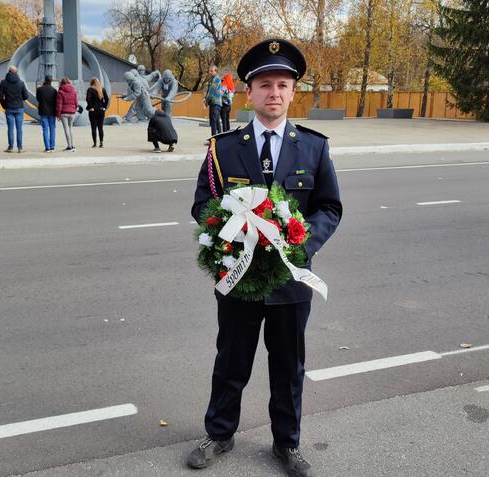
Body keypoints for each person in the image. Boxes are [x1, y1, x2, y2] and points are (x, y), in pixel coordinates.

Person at [188, 39, 342, 477]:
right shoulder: (223, 148)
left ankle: (286, 444)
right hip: (237, 278)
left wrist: (300, 246)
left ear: (293, 92)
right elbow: (203, 204)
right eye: (264, 85)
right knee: (231, 360)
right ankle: (219, 433)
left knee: (288, 366)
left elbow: (329, 208)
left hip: (291, 281)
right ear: (249, 92)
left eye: (282, 85)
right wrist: (228, 237)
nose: (274, 93)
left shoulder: (313, 148)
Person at [0, 65, 30, 153]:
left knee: (10, 128)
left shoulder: (3, 82)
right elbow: (26, 96)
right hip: (19, 108)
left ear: (8, 71)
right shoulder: (21, 83)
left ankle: (10, 147)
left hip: (9, 108)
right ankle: (20, 148)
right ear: (16, 72)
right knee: (19, 129)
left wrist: (4, 105)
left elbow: (0, 96)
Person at [55, 77, 78, 151]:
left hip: (64, 113)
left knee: (66, 129)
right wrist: (74, 109)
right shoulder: (74, 91)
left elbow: (59, 105)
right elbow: (76, 102)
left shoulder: (60, 91)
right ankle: (73, 145)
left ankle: (69, 146)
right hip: (72, 112)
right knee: (71, 128)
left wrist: (58, 115)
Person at [85, 77, 109, 148]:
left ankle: (95, 143)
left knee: (93, 127)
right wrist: (104, 107)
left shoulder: (90, 89)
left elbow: (87, 99)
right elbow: (107, 99)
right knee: (100, 127)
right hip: (101, 110)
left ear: (91, 82)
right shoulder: (102, 89)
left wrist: (90, 107)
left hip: (93, 111)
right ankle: (101, 143)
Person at [36, 75, 57, 153]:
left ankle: (47, 147)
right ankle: (52, 146)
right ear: (51, 81)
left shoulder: (39, 89)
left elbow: (38, 99)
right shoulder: (54, 90)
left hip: (43, 111)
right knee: (52, 129)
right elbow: (56, 101)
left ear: (45, 80)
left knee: (45, 129)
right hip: (52, 112)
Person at [204, 65, 223, 139]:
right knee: (217, 121)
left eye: (211, 71)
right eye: (209, 71)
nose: (210, 72)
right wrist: (205, 98)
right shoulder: (212, 79)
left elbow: (212, 90)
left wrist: (206, 101)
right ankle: (220, 138)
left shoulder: (216, 78)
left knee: (213, 122)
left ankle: (213, 139)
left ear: (216, 71)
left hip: (215, 103)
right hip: (214, 103)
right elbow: (208, 90)